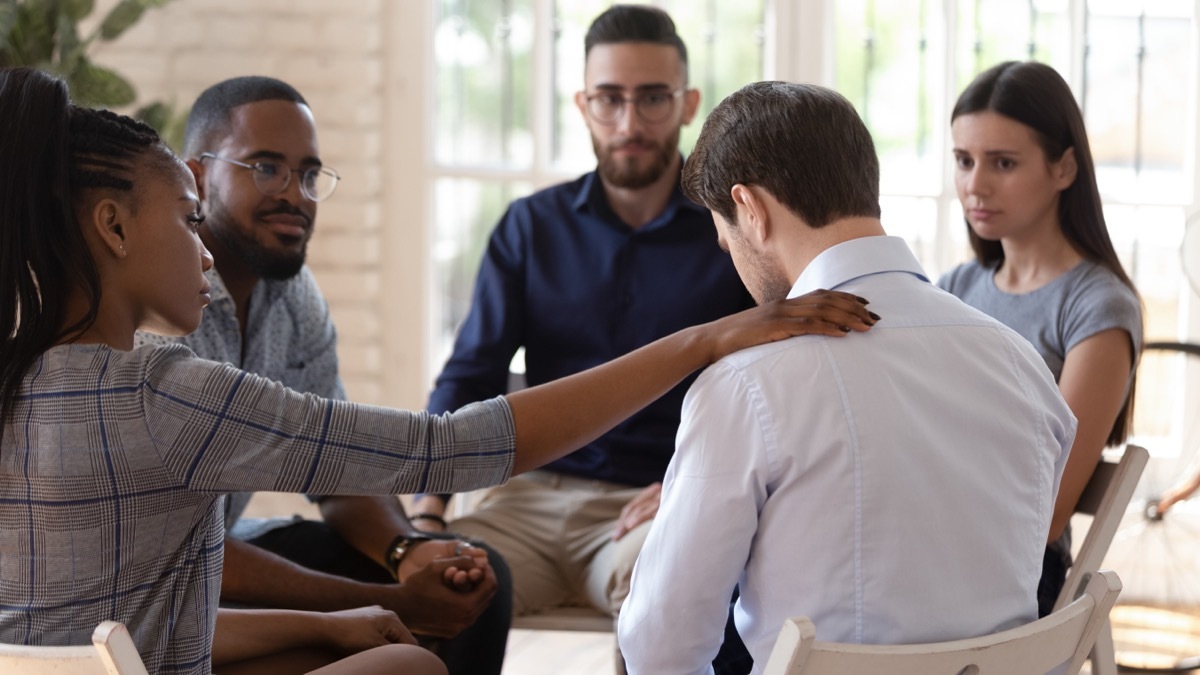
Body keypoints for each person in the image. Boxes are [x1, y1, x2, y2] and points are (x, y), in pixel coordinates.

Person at [0, 67, 875, 675]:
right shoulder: (164, 390)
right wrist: (707, 339)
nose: (197, 245)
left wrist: (337, 614)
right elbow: (450, 447)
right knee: (410, 664)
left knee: (375, 641)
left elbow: (124, 632)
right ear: (113, 228)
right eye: (185, 219)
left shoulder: (22, 374)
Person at [616, 80, 1078, 674]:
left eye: (724, 235)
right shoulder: (1021, 365)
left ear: (750, 211)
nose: (729, 256)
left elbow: (661, 644)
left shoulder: (747, 384)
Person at [133, 75, 509, 675]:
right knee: (400, 629)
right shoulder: (152, 310)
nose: (295, 194)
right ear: (197, 177)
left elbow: (335, 469)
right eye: (265, 167)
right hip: (158, 590)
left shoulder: (294, 296)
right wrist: (386, 600)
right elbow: (174, 549)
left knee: (472, 583)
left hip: (228, 549)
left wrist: (406, 550)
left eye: (308, 174)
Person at [412, 3, 755, 642]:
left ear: (687, 104)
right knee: (430, 593)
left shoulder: (733, 233)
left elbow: (778, 379)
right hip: (526, 501)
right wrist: (428, 514)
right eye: (609, 99)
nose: (630, 122)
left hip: (654, 503)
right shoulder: (530, 226)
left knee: (677, 602)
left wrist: (698, 484)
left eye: (653, 98)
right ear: (582, 104)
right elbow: (470, 374)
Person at [938, 60, 1143, 617]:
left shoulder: (1096, 306)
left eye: (1003, 163)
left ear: (1064, 168)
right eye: (964, 161)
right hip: (932, 539)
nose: (975, 185)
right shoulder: (956, 286)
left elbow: (1046, 513)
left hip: (1014, 571)